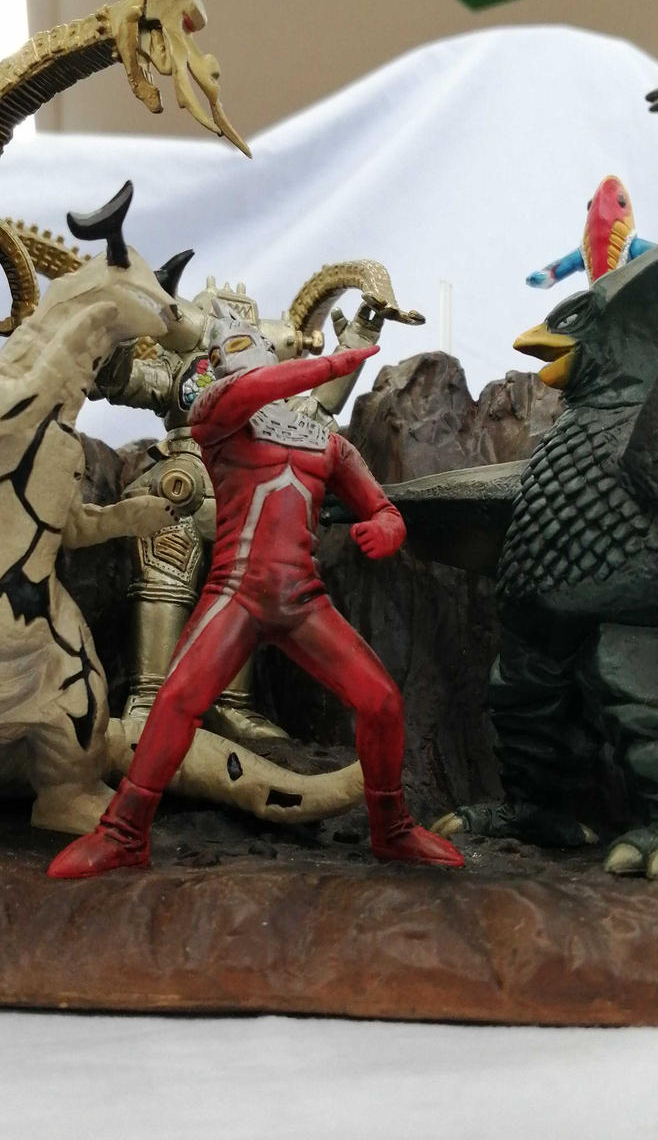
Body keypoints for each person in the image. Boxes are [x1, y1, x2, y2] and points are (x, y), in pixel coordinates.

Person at [47, 308, 465, 877]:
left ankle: (392, 828)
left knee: (383, 702)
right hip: (236, 595)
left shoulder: (326, 443)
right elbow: (247, 391)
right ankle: (124, 832)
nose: (230, 357)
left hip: (302, 600)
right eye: (222, 351)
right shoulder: (215, 416)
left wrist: (387, 531)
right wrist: (332, 366)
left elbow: (383, 507)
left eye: (242, 345)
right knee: (175, 702)